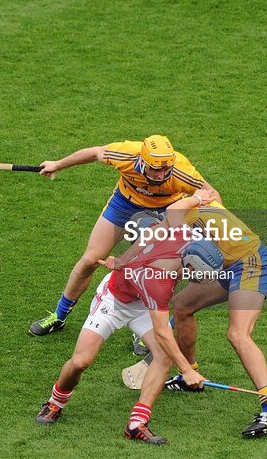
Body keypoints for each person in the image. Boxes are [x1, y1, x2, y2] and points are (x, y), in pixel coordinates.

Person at [35, 189, 224, 445]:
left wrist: (199, 198)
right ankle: (55, 402)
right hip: (115, 301)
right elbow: (162, 331)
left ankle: (137, 423)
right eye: (198, 275)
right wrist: (187, 369)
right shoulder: (160, 282)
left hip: (142, 304)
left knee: (162, 356)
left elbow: (173, 210)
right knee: (81, 362)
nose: (199, 281)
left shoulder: (185, 235)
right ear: (189, 263)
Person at [29, 135, 220, 357]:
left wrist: (213, 230)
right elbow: (94, 151)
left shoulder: (181, 172)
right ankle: (59, 316)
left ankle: (144, 329)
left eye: (165, 168)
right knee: (90, 260)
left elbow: (212, 194)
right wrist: (57, 164)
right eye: (155, 169)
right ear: (142, 161)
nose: (161, 174)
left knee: (156, 272)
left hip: (163, 212)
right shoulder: (126, 154)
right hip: (124, 204)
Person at [157, 195, 267, 437]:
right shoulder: (198, 206)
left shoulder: (176, 217)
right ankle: (190, 374)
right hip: (227, 266)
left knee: (238, 334)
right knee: (183, 305)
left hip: (252, 263)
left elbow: (187, 265)